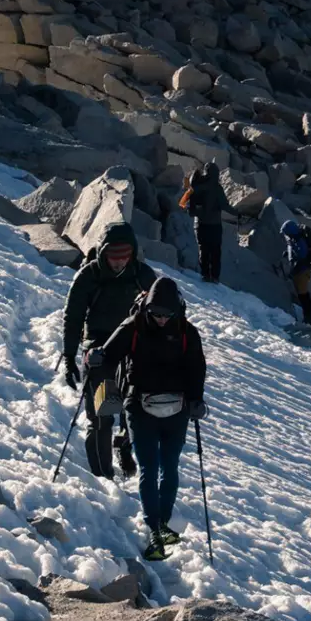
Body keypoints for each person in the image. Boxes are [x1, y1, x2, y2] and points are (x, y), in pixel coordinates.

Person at [96, 276, 206, 560]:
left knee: (169, 467)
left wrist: (196, 401)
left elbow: (197, 369)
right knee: (150, 466)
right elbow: (110, 355)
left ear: (177, 310)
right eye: (155, 313)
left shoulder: (186, 331)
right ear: (146, 307)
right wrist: (97, 358)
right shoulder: (134, 326)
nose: (160, 319)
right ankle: (154, 528)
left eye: (166, 314)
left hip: (176, 408)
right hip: (139, 404)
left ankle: (162, 522)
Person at [63, 223, 155, 479]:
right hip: (99, 354)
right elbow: (73, 316)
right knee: (102, 416)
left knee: (133, 412)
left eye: (124, 257)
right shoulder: (89, 276)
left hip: (134, 353)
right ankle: (102, 477)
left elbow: (162, 313)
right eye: (113, 257)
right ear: (103, 253)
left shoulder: (143, 276)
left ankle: (123, 447)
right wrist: (69, 356)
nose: (118, 263)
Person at [181, 161, 231, 284]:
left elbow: (184, 203)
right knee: (215, 251)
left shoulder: (197, 185)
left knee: (203, 249)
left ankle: (205, 275)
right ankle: (214, 277)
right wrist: (238, 213)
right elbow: (225, 205)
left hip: (200, 224)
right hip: (215, 225)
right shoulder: (217, 188)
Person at [281, 219, 311, 323]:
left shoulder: (299, 241)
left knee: (303, 294)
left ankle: (308, 317)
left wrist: (293, 270)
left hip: (302, 270)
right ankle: (306, 315)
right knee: (301, 293)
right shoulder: (294, 239)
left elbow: (302, 257)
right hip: (300, 269)